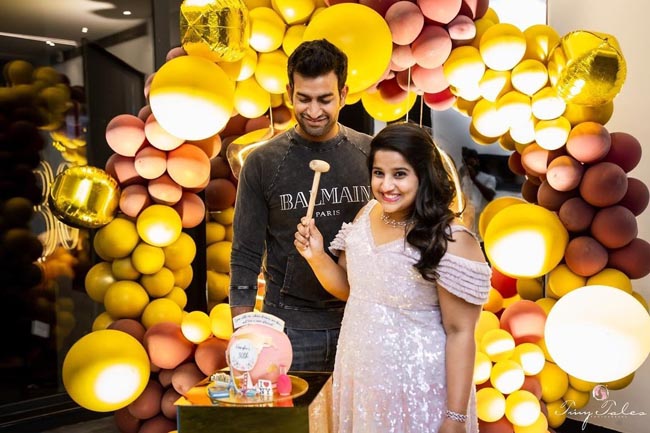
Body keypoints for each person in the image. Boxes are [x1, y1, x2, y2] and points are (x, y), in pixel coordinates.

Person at [294, 123, 491, 433]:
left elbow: (460, 333)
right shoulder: (366, 214)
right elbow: (353, 291)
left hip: (418, 390)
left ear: (424, 174)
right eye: (378, 173)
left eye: (400, 174)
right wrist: (316, 255)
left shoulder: (451, 239)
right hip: (361, 381)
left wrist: (454, 418)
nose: (386, 185)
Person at [228, 39, 372, 372]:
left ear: (344, 94)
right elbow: (245, 253)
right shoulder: (262, 162)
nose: (314, 111)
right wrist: (242, 336)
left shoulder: (371, 155)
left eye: (325, 99)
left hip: (359, 320)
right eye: (304, 98)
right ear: (290, 92)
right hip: (288, 326)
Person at [459, 147, 496, 235]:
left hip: (481, 223)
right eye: (466, 164)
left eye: (471, 163)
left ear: (477, 162)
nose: (469, 167)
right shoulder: (462, 179)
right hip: (466, 223)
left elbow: (490, 196)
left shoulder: (489, 178)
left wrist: (474, 179)